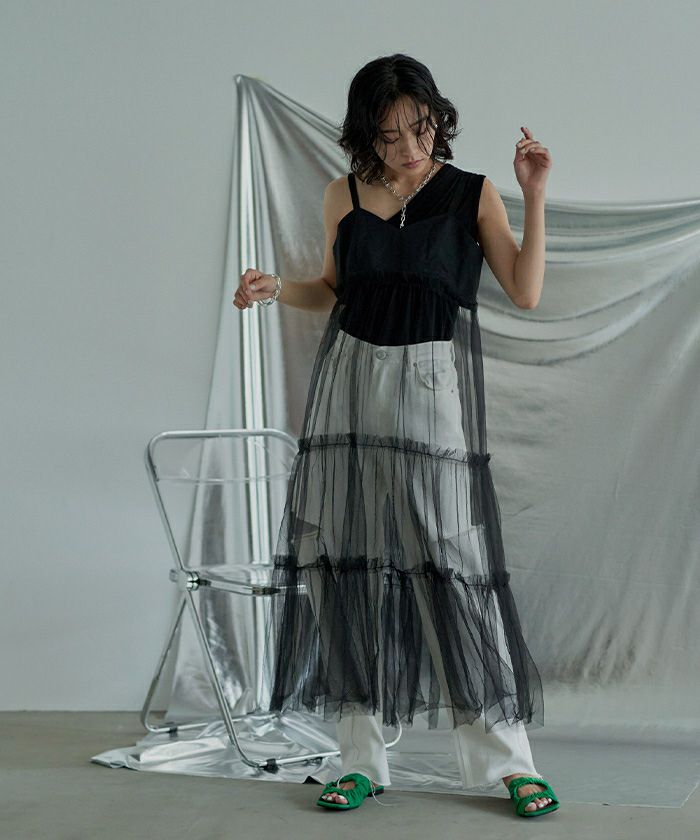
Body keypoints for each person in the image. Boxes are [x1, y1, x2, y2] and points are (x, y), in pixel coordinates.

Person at [233, 53, 558, 818]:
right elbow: (334, 291)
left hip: (430, 387)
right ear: (364, 135)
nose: (411, 147)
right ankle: (360, 759)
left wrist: (535, 195)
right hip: (351, 387)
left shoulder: (472, 193)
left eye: (422, 128)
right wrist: (278, 288)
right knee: (346, 570)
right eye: (390, 135)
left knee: (456, 572)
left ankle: (509, 764)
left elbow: (525, 290)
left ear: (437, 119)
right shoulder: (342, 195)